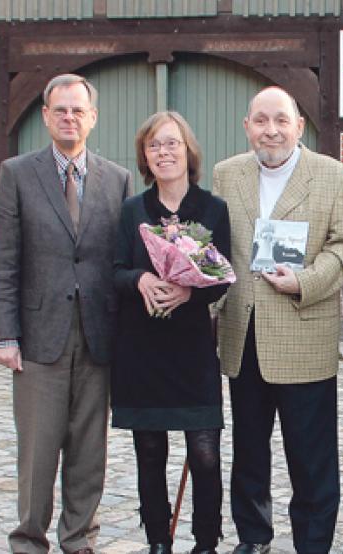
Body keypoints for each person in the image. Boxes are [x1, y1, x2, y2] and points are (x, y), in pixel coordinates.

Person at [211, 86, 343, 554]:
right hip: (244, 335)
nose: (270, 130)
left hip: (303, 333)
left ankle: (312, 545)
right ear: (247, 127)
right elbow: (215, 248)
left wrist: (306, 281)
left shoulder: (336, 177)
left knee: (311, 457)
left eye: (280, 120)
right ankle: (253, 539)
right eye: (260, 120)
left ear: (299, 125)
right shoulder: (226, 174)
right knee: (248, 452)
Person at [0, 73, 132, 554]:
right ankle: (29, 540)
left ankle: (79, 539)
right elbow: (5, 260)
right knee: (38, 451)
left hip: (98, 337)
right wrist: (4, 334)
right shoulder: (17, 173)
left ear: (92, 118)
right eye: (60, 110)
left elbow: (121, 260)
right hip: (38, 336)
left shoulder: (117, 179)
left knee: (89, 452)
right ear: (47, 116)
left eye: (78, 110)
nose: (69, 117)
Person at [111, 111, 231, 554]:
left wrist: (189, 292)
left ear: (188, 150)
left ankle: (205, 543)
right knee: (150, 454)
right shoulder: (131, 211)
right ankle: (158, 541)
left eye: (172, 143)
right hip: (142, 349)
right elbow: (116, 270)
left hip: (192, 349)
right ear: (145, 155)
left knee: (205, 454)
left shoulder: (213, 210)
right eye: (154, 145)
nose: (164, 152)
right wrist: (140, 280)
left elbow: (223, 276)